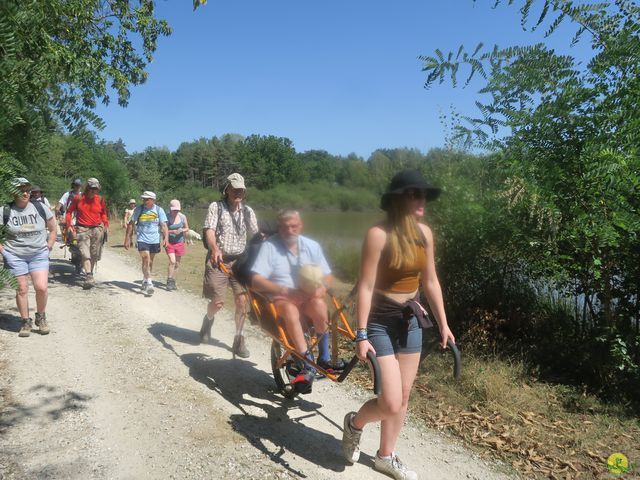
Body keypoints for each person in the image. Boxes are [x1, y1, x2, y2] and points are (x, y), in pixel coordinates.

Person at [341, 170, 455, 480]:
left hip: (411, 319)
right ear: (398, 199)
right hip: (380, 320)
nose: (422, 200)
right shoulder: (378, 234)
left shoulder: (424, 234)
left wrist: (443, 323)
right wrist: (360, 334)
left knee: (403, 397)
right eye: (415, 194)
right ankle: (354, 423)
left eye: (424, 195)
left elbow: (430, 281)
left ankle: (385, 456)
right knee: (390, 401)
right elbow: (365, 286)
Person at [250, 209, 344, 394]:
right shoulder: (269, 247)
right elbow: (256, 281)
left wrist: (322, 287)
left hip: (308, 296)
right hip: (282, 298)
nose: (290, 230)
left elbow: (327, 275)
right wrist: (283, 290)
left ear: (300, 226)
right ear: (279, 228)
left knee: (319, 304)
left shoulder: (311, 246)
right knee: (291, 310)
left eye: (294, 226)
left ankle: (324, 358)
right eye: (285, 227)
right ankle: (305, 362)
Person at [201, 173, 258, 358]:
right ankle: (208, 320)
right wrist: (215, 248)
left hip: (240, 262)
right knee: (217, 303)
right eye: (235, 189)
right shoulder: (216, 207)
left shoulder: (248, 212)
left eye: (241, 189)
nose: (238, 192)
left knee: (242, 301)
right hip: (219, 261)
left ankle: (239, 339)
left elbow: (256, 234)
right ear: (226, 190)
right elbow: (209, 229)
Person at [0, 177, 56, 337]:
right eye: (21, 190)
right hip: (15, 256)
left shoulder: (40, 207)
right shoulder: (5, 211)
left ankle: (41, 316)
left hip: (38, 254)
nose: (25, 193)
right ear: (13, 192)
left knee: (41, 287)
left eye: (27, 190)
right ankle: (25, 321)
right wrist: (4, 253)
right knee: (22, 289)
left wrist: (49, 246)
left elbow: (53, 228)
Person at [65, 177, 109, 289]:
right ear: (87, 188)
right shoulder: (78, 198)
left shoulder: (100, 199)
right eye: (92, 188)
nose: (94, 191)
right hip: (82, 229)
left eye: (96, 189)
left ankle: (90, 274)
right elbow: (69, 212)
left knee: (94, 254)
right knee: (85, 253)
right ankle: (89, 276)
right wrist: (69, 225)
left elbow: (103, 213)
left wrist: (106, 224)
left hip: (97, 229)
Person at [124, 191, 168, 296]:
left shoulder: (159, 210)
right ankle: (149, 283)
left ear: (153, 200)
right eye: (143, 199)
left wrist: (166, 238)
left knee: (150, 262)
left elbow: (164, 225)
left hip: (155, 240)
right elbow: (131, 224)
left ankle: (145, 279)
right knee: (146, 259)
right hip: (142, 238)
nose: (144, 201)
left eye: (146, 199)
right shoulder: (139, 209)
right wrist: (127, 238)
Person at [165, 199, 189, 291]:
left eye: (177, 210)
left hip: (179, 242)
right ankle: (169, 280)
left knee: (177, 264)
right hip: (169, 242)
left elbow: (187, 228)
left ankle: (173, 281)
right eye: (174, 210)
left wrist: (181, 230)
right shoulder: (166, 217)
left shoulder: (182, 217)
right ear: (170, 209)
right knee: (172, 261)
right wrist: (172, 231)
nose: (175, 211)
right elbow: (163, 229)